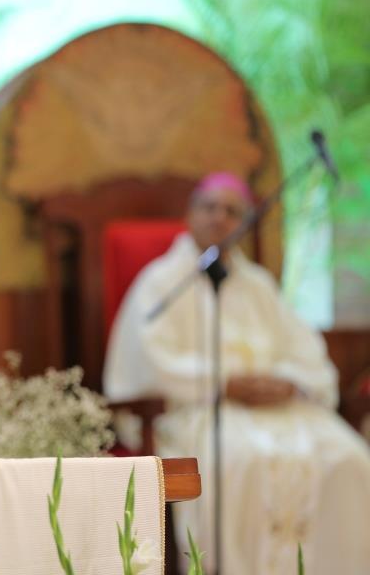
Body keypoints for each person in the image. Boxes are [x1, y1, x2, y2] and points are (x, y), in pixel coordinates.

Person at [104, 172, 370, 574]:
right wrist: (223, 382)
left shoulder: (259, 285)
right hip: (200, 411)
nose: (219, 218)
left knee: (349, 458)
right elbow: (147, 360)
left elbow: (306, 353)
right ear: (190, 215)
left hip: (282, 411)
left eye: (231, 211)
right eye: (209, 207)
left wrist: (287, 381)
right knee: (241, 462)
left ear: (245, 223)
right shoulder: (160, 284)